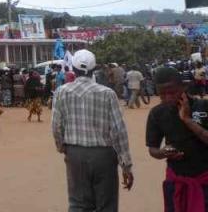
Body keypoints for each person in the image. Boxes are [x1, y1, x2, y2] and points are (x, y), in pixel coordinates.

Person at [52, 49, 134, 212]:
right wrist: (126, 165)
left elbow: (56, 126)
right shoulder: (107, 94)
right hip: (103, 155)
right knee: (106, 205)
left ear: (73, 70)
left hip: (75, 154)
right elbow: (118, 130)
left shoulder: (62, 92)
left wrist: (63, 147)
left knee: (78, 204)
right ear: (93, 69)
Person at [146, 66, 208, 211]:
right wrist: (164, 152)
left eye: (172, 92)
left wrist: (187, 120)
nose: (168, 98)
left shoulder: (203, 106)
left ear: (183, 87)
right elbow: (153, 149)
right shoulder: (157, 114)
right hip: (176, 183)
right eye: (162, 94)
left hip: (205, 182)